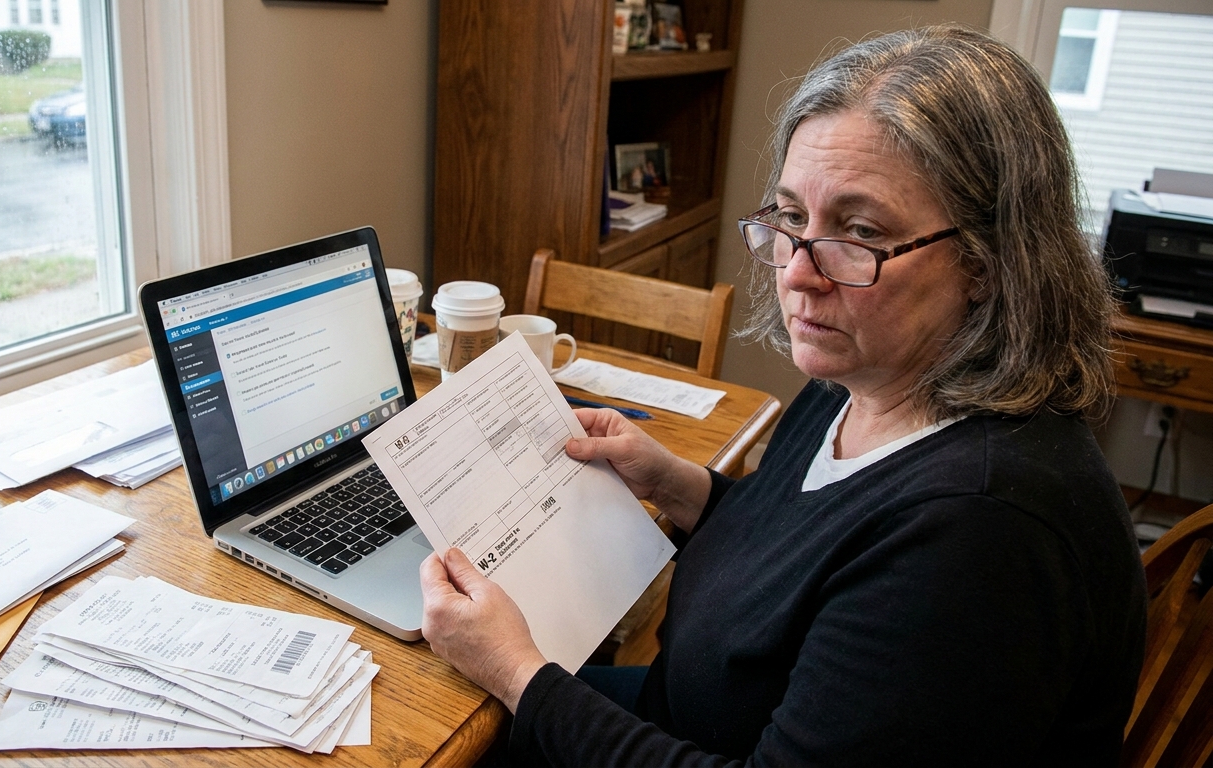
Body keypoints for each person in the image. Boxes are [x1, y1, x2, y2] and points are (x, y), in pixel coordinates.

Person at [419, 24, 1148, 767]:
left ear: (990, 262)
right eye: (792, 218)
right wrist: (676, 482)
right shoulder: (865, 374)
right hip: (689, 716)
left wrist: (518, 671)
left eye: (859, 231)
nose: (799, 271)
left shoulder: (981, 536)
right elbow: (813, 545)